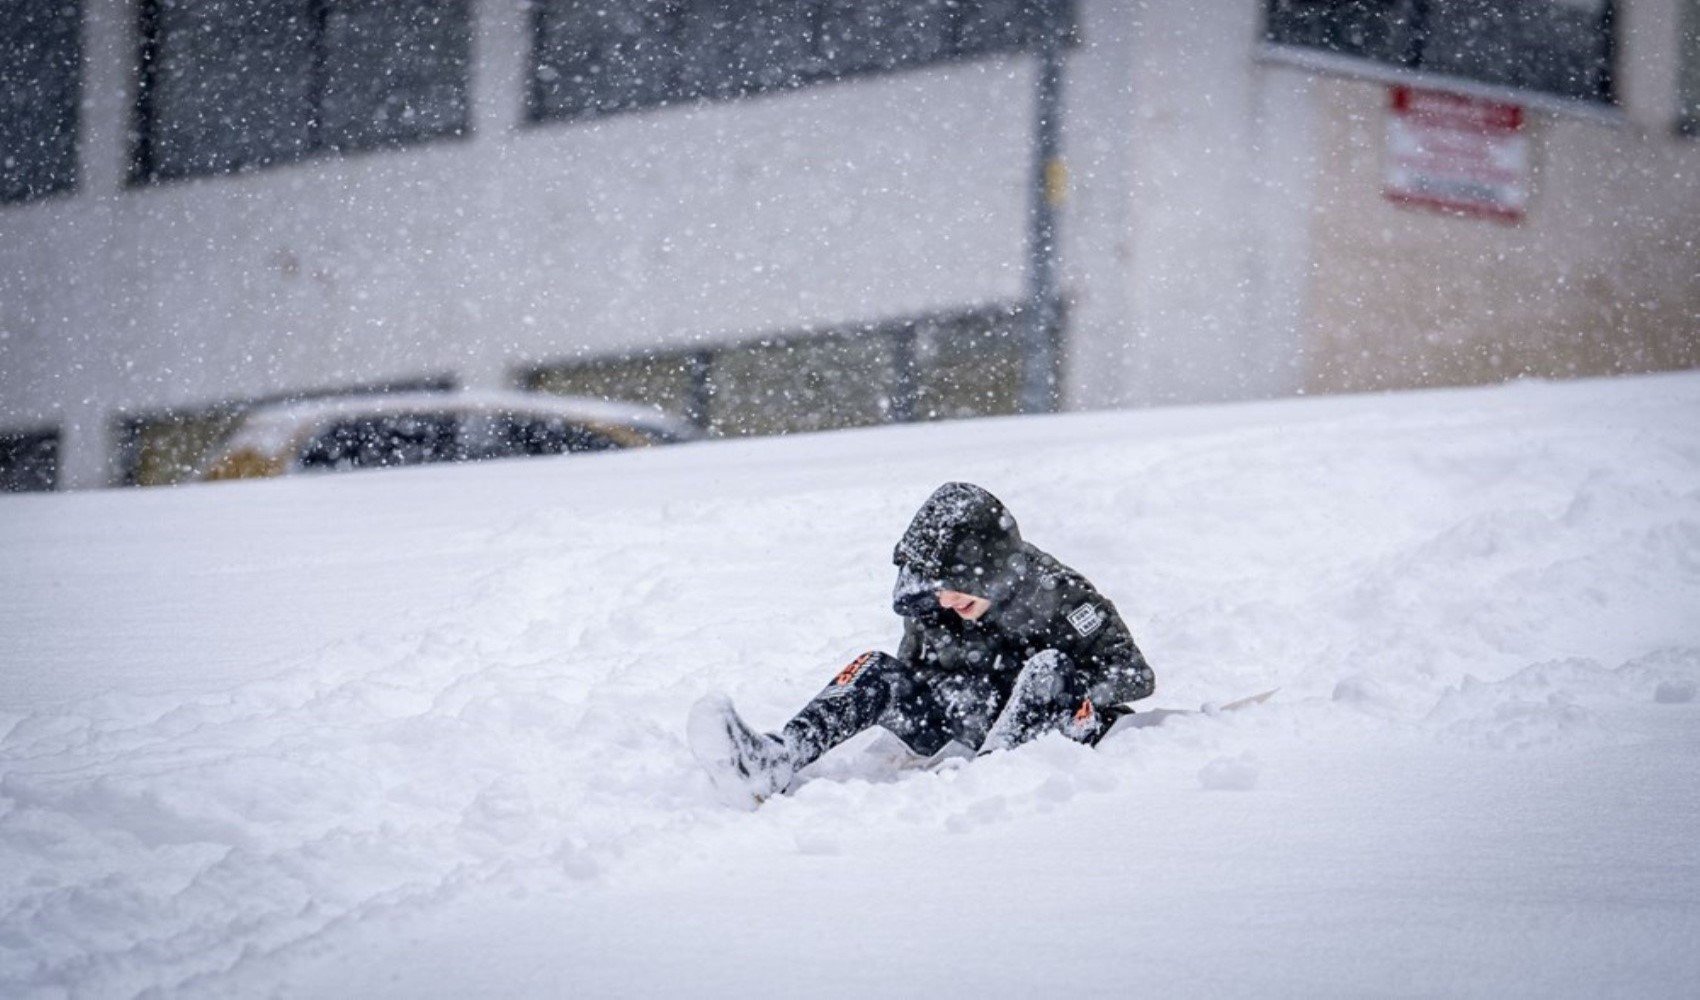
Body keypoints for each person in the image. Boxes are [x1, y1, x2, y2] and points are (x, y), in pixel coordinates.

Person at [688, 482, 1156, 806]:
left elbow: (1134, 675)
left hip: (1052, 733)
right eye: (937, 587)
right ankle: (777, 759)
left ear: (991, 571)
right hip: (968, 723)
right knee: (876, 668)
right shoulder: (933, 601)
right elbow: (916, 668)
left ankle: (995, 778)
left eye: (955, 585)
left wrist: (1066, 695)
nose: (946, 600)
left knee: (1048, 667)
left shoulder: (1058, 592)